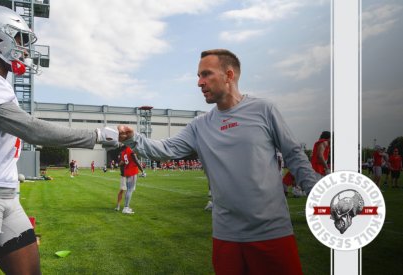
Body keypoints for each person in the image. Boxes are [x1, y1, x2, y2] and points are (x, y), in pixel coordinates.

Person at [0, 5, 118, 275]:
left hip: (7, 197)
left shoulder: (0, 83)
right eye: (19, 39)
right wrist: (98, 135)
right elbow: (31, 130)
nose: (24, 48)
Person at [118, 49, 318, 274]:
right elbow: (166, 149)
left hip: (272, 233)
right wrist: (134, 138)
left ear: (229, 76)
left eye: (206, 74)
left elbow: (294, 155)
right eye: (198, 76)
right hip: (226, 236)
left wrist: (321, 197)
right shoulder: (200, 125)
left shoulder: (264, 109)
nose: (199, 83)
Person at [119, 145, 145, 214]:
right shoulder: (130, 149)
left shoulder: (123, 152)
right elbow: (136, 160)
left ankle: (126, 206)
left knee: (128, 190)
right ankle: (126, 207)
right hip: (132, 171)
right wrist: (142, 170)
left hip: (127, 171)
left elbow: (123, 162)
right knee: (130, 190)